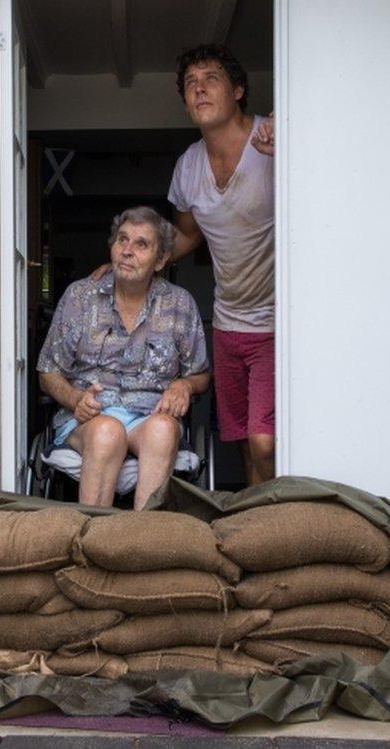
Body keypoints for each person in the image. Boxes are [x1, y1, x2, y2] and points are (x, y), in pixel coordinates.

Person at [95, 44, 275, 485]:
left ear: (238, 89)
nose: (199, 89)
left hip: (278, 320)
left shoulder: (271, 139)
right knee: (239, 442)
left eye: (211, 78)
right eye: (191, 84)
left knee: (264, 441)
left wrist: (290, 145)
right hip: (229, 321)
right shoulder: (188, 166)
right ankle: (261, 533)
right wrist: (130, 261)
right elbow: (187, 236)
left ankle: (281, 524)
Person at [37, 207, 211, 510]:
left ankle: (141, 543)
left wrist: (184, 386)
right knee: (108, 432)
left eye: (141, 244)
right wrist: (75, 398)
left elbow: (201, 374)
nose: (127, 251)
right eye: (122, 240)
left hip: (149, 416)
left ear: (161, 260)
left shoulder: (179, 304)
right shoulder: (81, 298)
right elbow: (48, 371)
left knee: (164, 429)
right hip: (89, 420)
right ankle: (92, 542)